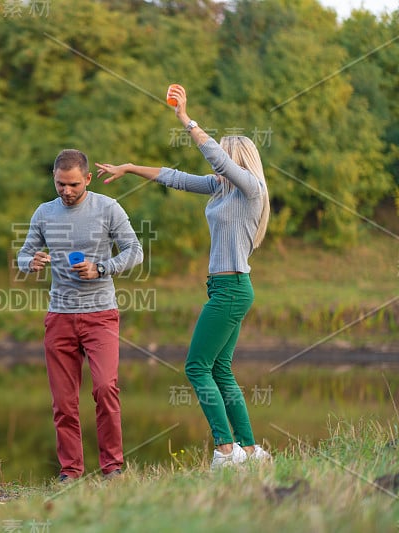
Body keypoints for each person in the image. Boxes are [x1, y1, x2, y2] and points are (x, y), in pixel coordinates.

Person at [95, 84, 272, 469]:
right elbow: (173, 177)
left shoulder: (250, 189)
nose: (217, 161)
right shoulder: (221, 189)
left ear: (236, 158)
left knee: (195, 366)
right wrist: (129, 167)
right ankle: (252, 451)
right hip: (226, 288)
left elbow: (218, 161)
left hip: (232, 288)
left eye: (223, 154)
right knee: (220, 369)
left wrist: (185, 119)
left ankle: (226, 452)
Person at [17, 149, 144, 482]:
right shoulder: (44, 213)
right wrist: (29, 262)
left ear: (87, 179)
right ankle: (70, 471)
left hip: (100, 313)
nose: (66, 191)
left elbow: (135, 251)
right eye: (60, 184)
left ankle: (112, 467)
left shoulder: (108, 208)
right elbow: (24, 252)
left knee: (105, 388)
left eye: (73, 184)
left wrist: (102, 268)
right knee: (63, 401)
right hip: (59, 316)